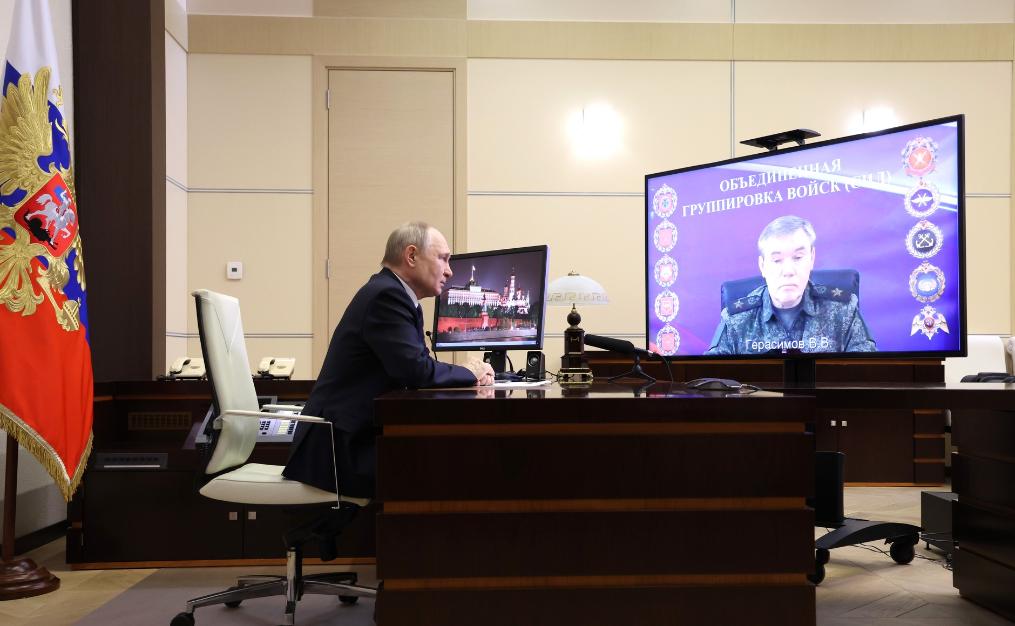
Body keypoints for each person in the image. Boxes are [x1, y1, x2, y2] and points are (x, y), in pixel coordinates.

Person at [283, 222, 494, 500]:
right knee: (447, 468)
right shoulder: (387, 296)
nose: (449, 271)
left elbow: (415, 366)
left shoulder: (395, 294)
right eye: (443, 259)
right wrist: (469, 371)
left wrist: (464, 373)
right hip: (339, 452)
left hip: (351, 438)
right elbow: (416, 371)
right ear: (411, 255)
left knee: (444, 462)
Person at [706, 215, 876, 355]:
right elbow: (712, 377)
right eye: (777, 260)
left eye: (798, 257)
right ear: (762, 266)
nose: (788, 271)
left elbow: (867, 372)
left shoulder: (843, 310)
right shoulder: (737, 319)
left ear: (812, 258)